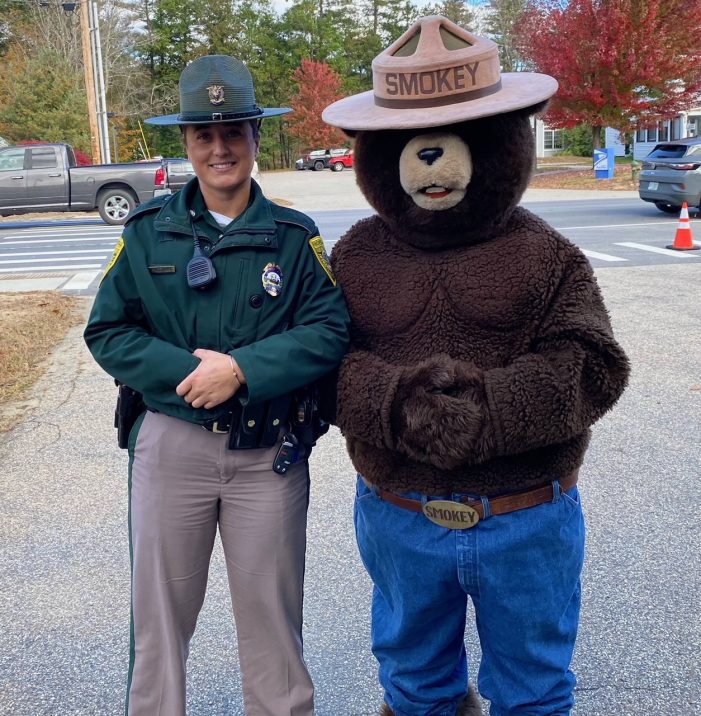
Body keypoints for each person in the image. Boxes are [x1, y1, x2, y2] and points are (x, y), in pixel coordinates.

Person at [84, 54, 349, 716]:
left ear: (257, 138)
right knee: (160, 623)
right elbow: (108, 332)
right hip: (172, 450)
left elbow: (328, 329)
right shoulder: (148, 232)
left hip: (267, 455)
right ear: (187, 143)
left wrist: (243, 371)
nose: (220, 146)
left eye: (234, 131)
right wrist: (191, 377)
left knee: (272, 622)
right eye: (204, 133)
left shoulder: (294, 238)